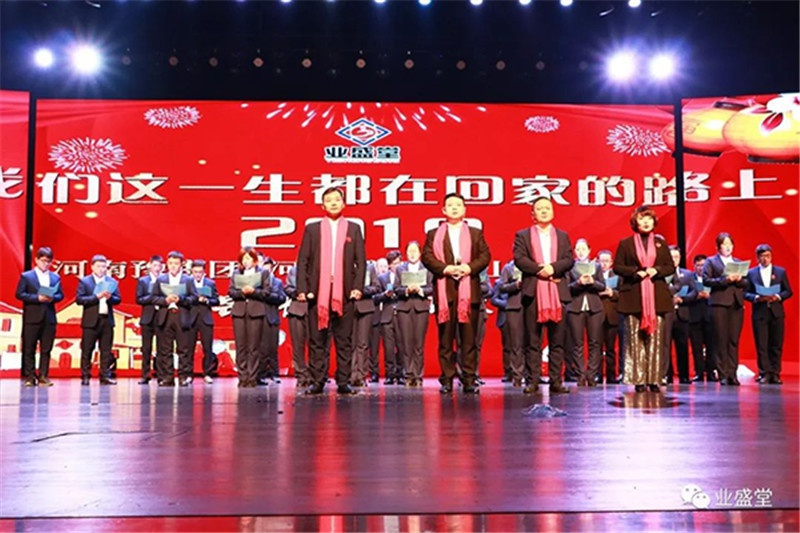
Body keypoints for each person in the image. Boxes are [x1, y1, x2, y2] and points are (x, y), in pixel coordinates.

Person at [296, 186, 366, 395]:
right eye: (329, 200)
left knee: (344, 341)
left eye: (337, 199)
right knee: (317, 341)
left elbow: (361, 262)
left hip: (344, 293)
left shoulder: (353, 228)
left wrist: (357, 288)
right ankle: (317, 381)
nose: (333, 203)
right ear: (322, 205)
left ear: (343, 203)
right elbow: (303, 261)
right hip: (318, 293)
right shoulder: (312, 229)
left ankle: (343, 382)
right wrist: (302, 288)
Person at [421, 192, 491, 394]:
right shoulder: (434, 234)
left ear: (464, 209)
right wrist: (446, 269)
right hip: (446, 292)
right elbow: (427, 257)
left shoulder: (475, 233)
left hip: (469, 293)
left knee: (469, 340)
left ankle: (469, 379)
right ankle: (446, 379)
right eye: (450, 205)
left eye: (458, 205)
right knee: (445, 341)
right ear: (443, 210)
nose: (454, 208)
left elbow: (485, 256)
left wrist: (468, 268)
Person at [513, 196, 573, 395]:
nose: (544, 211)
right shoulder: (523, 235)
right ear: (533, 214)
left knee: (557, 340)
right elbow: (520, 259)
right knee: (533, 340)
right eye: (540, 208)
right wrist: (541, 270)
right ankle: (532, 380)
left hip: (557, 291)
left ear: (553, 211)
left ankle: (556, 380)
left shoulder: (562, 235)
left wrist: (552, 268)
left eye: (548, 208)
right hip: (533, 291)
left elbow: (568, 259)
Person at [613, 205, 675, 393]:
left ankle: (654, 379)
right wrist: (636, 272)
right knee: (635, 339)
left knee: (656, 340)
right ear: (635, 222)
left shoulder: (660, 243)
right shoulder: (626, 244)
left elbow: (670, 267)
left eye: (649, 218)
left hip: (657, 298)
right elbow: (617, 267)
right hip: (633, 297)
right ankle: (638, 379)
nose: (646, 222)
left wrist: (656, 270)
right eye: (642, 218)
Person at [15, 247, 64, 387]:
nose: (45, 264)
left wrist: (52, 297)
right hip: (32, 317)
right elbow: (19, 294)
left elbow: (60, 295)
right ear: (36, 260)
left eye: (48, 261)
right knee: (29, 348)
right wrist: (37, 298)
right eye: (43, 261)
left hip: (49, 317)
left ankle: (43, 375)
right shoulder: (27, 276)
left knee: (46, 349)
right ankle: (30, 376)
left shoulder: (55, 277)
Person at [744, 244, 793, 385]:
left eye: (767, 256)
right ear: (757, 258)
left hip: (776, 312)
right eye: (762, 256)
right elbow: (745, 293)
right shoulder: (751, 273)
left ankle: (775, 373)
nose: (765, 259)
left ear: (771, 256)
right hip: (760, 312)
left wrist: (777, 296)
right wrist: (756, 298)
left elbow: (788, 291)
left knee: (776, 344)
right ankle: (764, 373)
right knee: (762, 345)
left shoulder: (780, 272)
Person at [702, 233, 747, 386]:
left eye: (730, 244)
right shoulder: (711, 261)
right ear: (718, 247)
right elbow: (706, 280)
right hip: (719, 304)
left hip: (736, 304)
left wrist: (739, 280)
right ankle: (723, 374)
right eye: (724, 244)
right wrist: (725, 280)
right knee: (721, 340)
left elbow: (747, 283)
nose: (728, 247)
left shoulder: (738, 262)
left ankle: (732, 374)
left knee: (733, 340)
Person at [150, 250, 198, 387]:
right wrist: (165, 300)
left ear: (181, 264)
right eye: (170, 263)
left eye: (176, 263)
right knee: (165, 349)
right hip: (165, 316)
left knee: (183, 349)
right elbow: (153, 298)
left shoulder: (188, 280)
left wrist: (180, 299)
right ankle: (167, 376)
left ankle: (183, 376)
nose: (173, 266)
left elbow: (194, 298)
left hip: (182, 316)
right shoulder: (161, 279)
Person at [229, 247, 271, 388]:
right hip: (239, 312)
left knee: (253, 347)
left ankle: (252, 377)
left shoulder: (263, 273)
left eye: (249, 258)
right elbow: (231, 292)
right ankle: (242, 376)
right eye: (244, 258)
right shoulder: (236, 273)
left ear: (254, 260)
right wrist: (242, 292)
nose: (246, 261)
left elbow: (266, 292)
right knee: (241, 346)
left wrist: (253, 292)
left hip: (256, 311)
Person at [76, 255, 122, 385]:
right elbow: (79, 299)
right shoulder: (85, 282)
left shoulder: (111, 282)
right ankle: (85, 375)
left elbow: (118, 299)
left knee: (106, 350)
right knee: (87, 349)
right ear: (92, 267)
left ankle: (105, 376)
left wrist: (110, 297)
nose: (101, 269)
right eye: (98, 266)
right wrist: (97, 296)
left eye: (104, 266)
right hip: (90, 321)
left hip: (107, 320)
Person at [566, 239, 605, 388]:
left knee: (595, 343)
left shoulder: (596, 266)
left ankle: (592, 374)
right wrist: (578, 283)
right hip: (575, 308)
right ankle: (580, 375)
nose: (581, 252)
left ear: (589, 250)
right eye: (578, 249)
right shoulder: (570, 267)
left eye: (583, 249)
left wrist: (592, 282)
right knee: (577, 343)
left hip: (594, 308)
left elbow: (602, 286)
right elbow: (567, 288)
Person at [394, 241, 433, 387]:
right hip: (404, 308)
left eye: (415, 251)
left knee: (418, 344)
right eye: (409, 251)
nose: (412, 254)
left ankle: (418, 375)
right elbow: (396, 288)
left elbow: (432, 288)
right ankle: (408, 375)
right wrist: (406, 290)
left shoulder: (426, 269)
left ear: (420, 253)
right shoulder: (400, 269)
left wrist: (420, 290)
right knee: (406, 343)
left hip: (421, 308)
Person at [664, 246, 697, 385]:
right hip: (666, 314)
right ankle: (667, 375)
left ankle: (684, 375)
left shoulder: (687, 274)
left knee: (682, 345)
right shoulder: (662, 275)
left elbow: (694, 292)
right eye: (671, 257)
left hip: (682, 314)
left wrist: (682, 299)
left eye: (676, 257)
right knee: (665, 346)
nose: (674, 260)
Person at [256, 256, 288, 385]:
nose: (267, 269)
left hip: (273, 317)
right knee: (262, 348)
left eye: (269, 267)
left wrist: (269, 295)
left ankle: (274, 373)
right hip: (260, 316)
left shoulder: (277, 282)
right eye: (264, 266)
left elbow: (282, 298)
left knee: (273, 347)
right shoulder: (257, 281)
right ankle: (261, 374)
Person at [188, 259, 220, 384]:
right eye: (195, 272)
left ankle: (207, 373)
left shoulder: (210, 283)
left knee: (207, 348)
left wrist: (207, 301)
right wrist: (194, 299)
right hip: (191, 318)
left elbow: (216, 300)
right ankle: (188, 374)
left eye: (200, 272)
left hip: (206, 319)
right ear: (191, 272)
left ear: (204, 272)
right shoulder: (187, 283)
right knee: (189, 348)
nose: (197, 274)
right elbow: (183, 299)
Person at [374, 250, 404, 385]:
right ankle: (390, 374)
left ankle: (401, 373)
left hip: (401, 314)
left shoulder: (405, 275)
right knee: (389, 347)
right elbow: (375, 298)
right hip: (387, 315)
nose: (397, 266)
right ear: (390, 265)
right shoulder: (382, 278)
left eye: (399, 263)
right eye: (394, 264)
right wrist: (385, 295)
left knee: (402, 346)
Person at [495, 259, 525, 387]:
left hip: (530, 306)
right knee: (514, 344)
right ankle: (515, 374)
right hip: (513, 307)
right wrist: (516, 285)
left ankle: (532, 375)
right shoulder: (508, 268)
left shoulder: (532, 266)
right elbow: (501, 288)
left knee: (532, 343)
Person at [351, 260, 380, 387]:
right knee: (350, 344)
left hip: (366, 307)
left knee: (363, 344)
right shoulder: (345, 264)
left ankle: (361, 375)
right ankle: (351, 375)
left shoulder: (370, 267)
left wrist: (362, 291)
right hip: (349, 308)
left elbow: (376, 287)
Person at [688, 255, 716, 382]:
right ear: (694, 266)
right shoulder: (690, 278)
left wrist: (710, 295)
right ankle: (699, 372)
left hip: (710, 316)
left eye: (703, 265)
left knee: (711, 346)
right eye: (698, 265)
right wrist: (696, 296)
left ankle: (711, 372)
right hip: (694, 316)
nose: (700, 268)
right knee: (696, 347)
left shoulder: (711, 278)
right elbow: (686, 294)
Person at [136, 255, 163, 384]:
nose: (157, 268)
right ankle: (145, 374)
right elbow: (139, 299)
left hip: (161, 317)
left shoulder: (164, 279)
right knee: (146, 348)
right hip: (147, 318)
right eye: (155, 265)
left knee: (162, 348)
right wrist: (152, 297)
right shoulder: (143, 281)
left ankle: (161, 374)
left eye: (159, 266)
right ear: (149, 265)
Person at [597, 249, 621, 384]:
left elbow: (623, 293)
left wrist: (612, 293)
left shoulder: (617, 275)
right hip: (598, 314)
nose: (604, 264)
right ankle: (598, 375)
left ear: (611, 262)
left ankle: (611, 375)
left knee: (611, 348)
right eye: (601, 261)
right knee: (597, 348)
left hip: (612, 315)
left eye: (606, 261)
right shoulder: (594, 275)